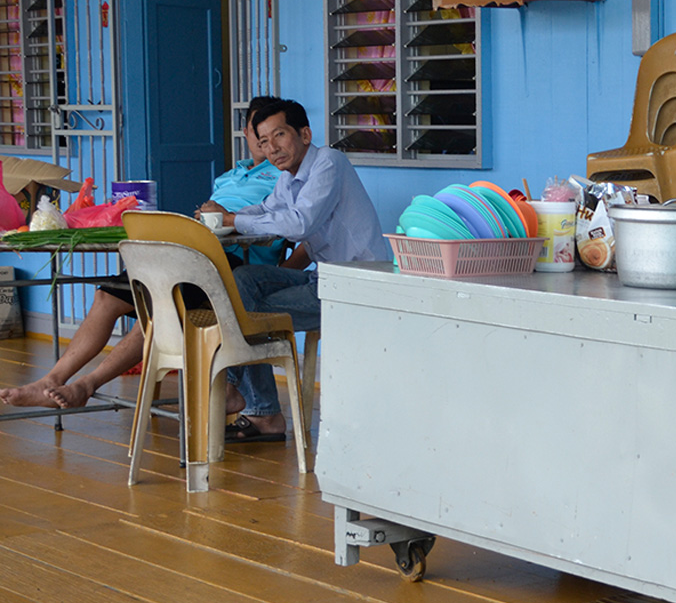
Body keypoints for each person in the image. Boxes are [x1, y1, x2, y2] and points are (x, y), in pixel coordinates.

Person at [0, 96, 285, 409]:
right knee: (107, 297)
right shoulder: (230, 175)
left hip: (235, 263)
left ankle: (87, 384)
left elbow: (287, 227)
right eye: (259, 133)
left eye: (277, 134)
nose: (267, 142)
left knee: (158, 311)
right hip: (192, 249)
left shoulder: (285, 177)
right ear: (246, 133)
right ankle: (50, 380)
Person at [198, 98, 389, 443]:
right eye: (264, 141)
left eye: (280, 135)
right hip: (323, 278)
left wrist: (229, 220)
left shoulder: (329, 162)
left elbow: (300, 223)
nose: (272, 148)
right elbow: (266, 209)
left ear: (304, 133)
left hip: (356, 284)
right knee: (239, 279)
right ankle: (255, 406)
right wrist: (224, 213)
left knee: (242, 309)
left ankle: (257, 407)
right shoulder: (288, 179)